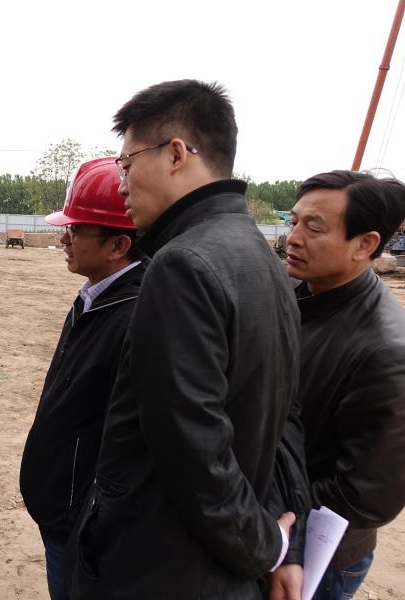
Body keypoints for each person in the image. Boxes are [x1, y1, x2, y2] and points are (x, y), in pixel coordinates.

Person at [65, 80, 300, 599]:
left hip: (161, 565)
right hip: (215, 565)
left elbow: (192, 446)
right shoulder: (261, 257)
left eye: (126, 164)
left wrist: (265, 547)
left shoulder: (182, 265)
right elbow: (283, 419)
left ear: (175, 154)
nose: (121, 185)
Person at [274, 170, 405, 600]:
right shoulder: (296, 294)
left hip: (317, 557)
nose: (293, 238)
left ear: (365, 244)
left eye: (314, 228)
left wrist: (269, 508)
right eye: (294, 221)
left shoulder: (386, 350)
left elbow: (368, 495)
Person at [20, 158, 144, 600]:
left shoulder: (136, 316)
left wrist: (86, 517)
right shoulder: (96, 296)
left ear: (118, 245)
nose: (63, 238)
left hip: (81, 523)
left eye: (75, 230)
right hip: (63, 510)